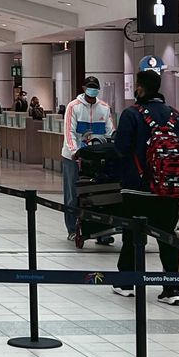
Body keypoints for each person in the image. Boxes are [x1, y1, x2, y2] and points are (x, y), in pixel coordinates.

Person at [113, 69, 179, 306]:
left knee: (132, 236)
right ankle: (171, 289)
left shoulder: (131, 114)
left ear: (140, 88)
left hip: (136, 188)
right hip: (168, 191)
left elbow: (120, 148)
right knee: (167, 238)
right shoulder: (176, 117)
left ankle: (127, 282)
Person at [61, 76, 113, 243]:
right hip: (73, 157)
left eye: (95, 87)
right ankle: (72, 229)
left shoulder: (104, 108)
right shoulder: (73, 107)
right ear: (84, 88)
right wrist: (75, 151)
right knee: (72, 195)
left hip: (97, 159)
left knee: (101, 194)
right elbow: (69, 131)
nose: (92, 90)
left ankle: (102, 232)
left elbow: (110, 131)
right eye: (90, 87)